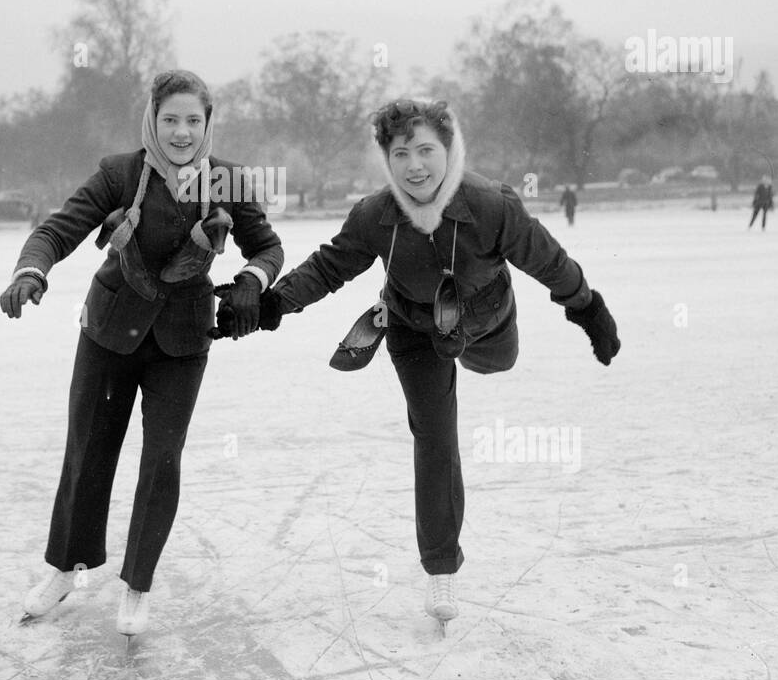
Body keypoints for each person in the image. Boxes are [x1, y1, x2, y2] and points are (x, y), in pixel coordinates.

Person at [224, 98, 619, 627]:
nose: (415, 166)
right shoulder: (375, 215)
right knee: (435, 434)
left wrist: (586, 306)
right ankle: (441, 569)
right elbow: (328, 266)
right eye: (401, 152)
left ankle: (487, 347)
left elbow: (547, 260)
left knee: (498, 364)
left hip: (486, 323)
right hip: (413, 330)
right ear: (387, 158)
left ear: (448, 149)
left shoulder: (491, 205)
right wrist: (276, 302)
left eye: (426, 150)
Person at [1, 69, 284, 638]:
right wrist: (31, 269)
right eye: (170, 119)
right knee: (88, 453)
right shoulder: (121, 173)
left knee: (162, 460)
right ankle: (65, 568)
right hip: (108, 335)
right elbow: (59, 229)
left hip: (181, 342)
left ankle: (138, 584)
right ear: (151, 119)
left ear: (208, 123)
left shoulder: (226, 179)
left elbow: (268, 245)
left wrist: (253, 279)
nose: (181, 132)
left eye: (193, 121)